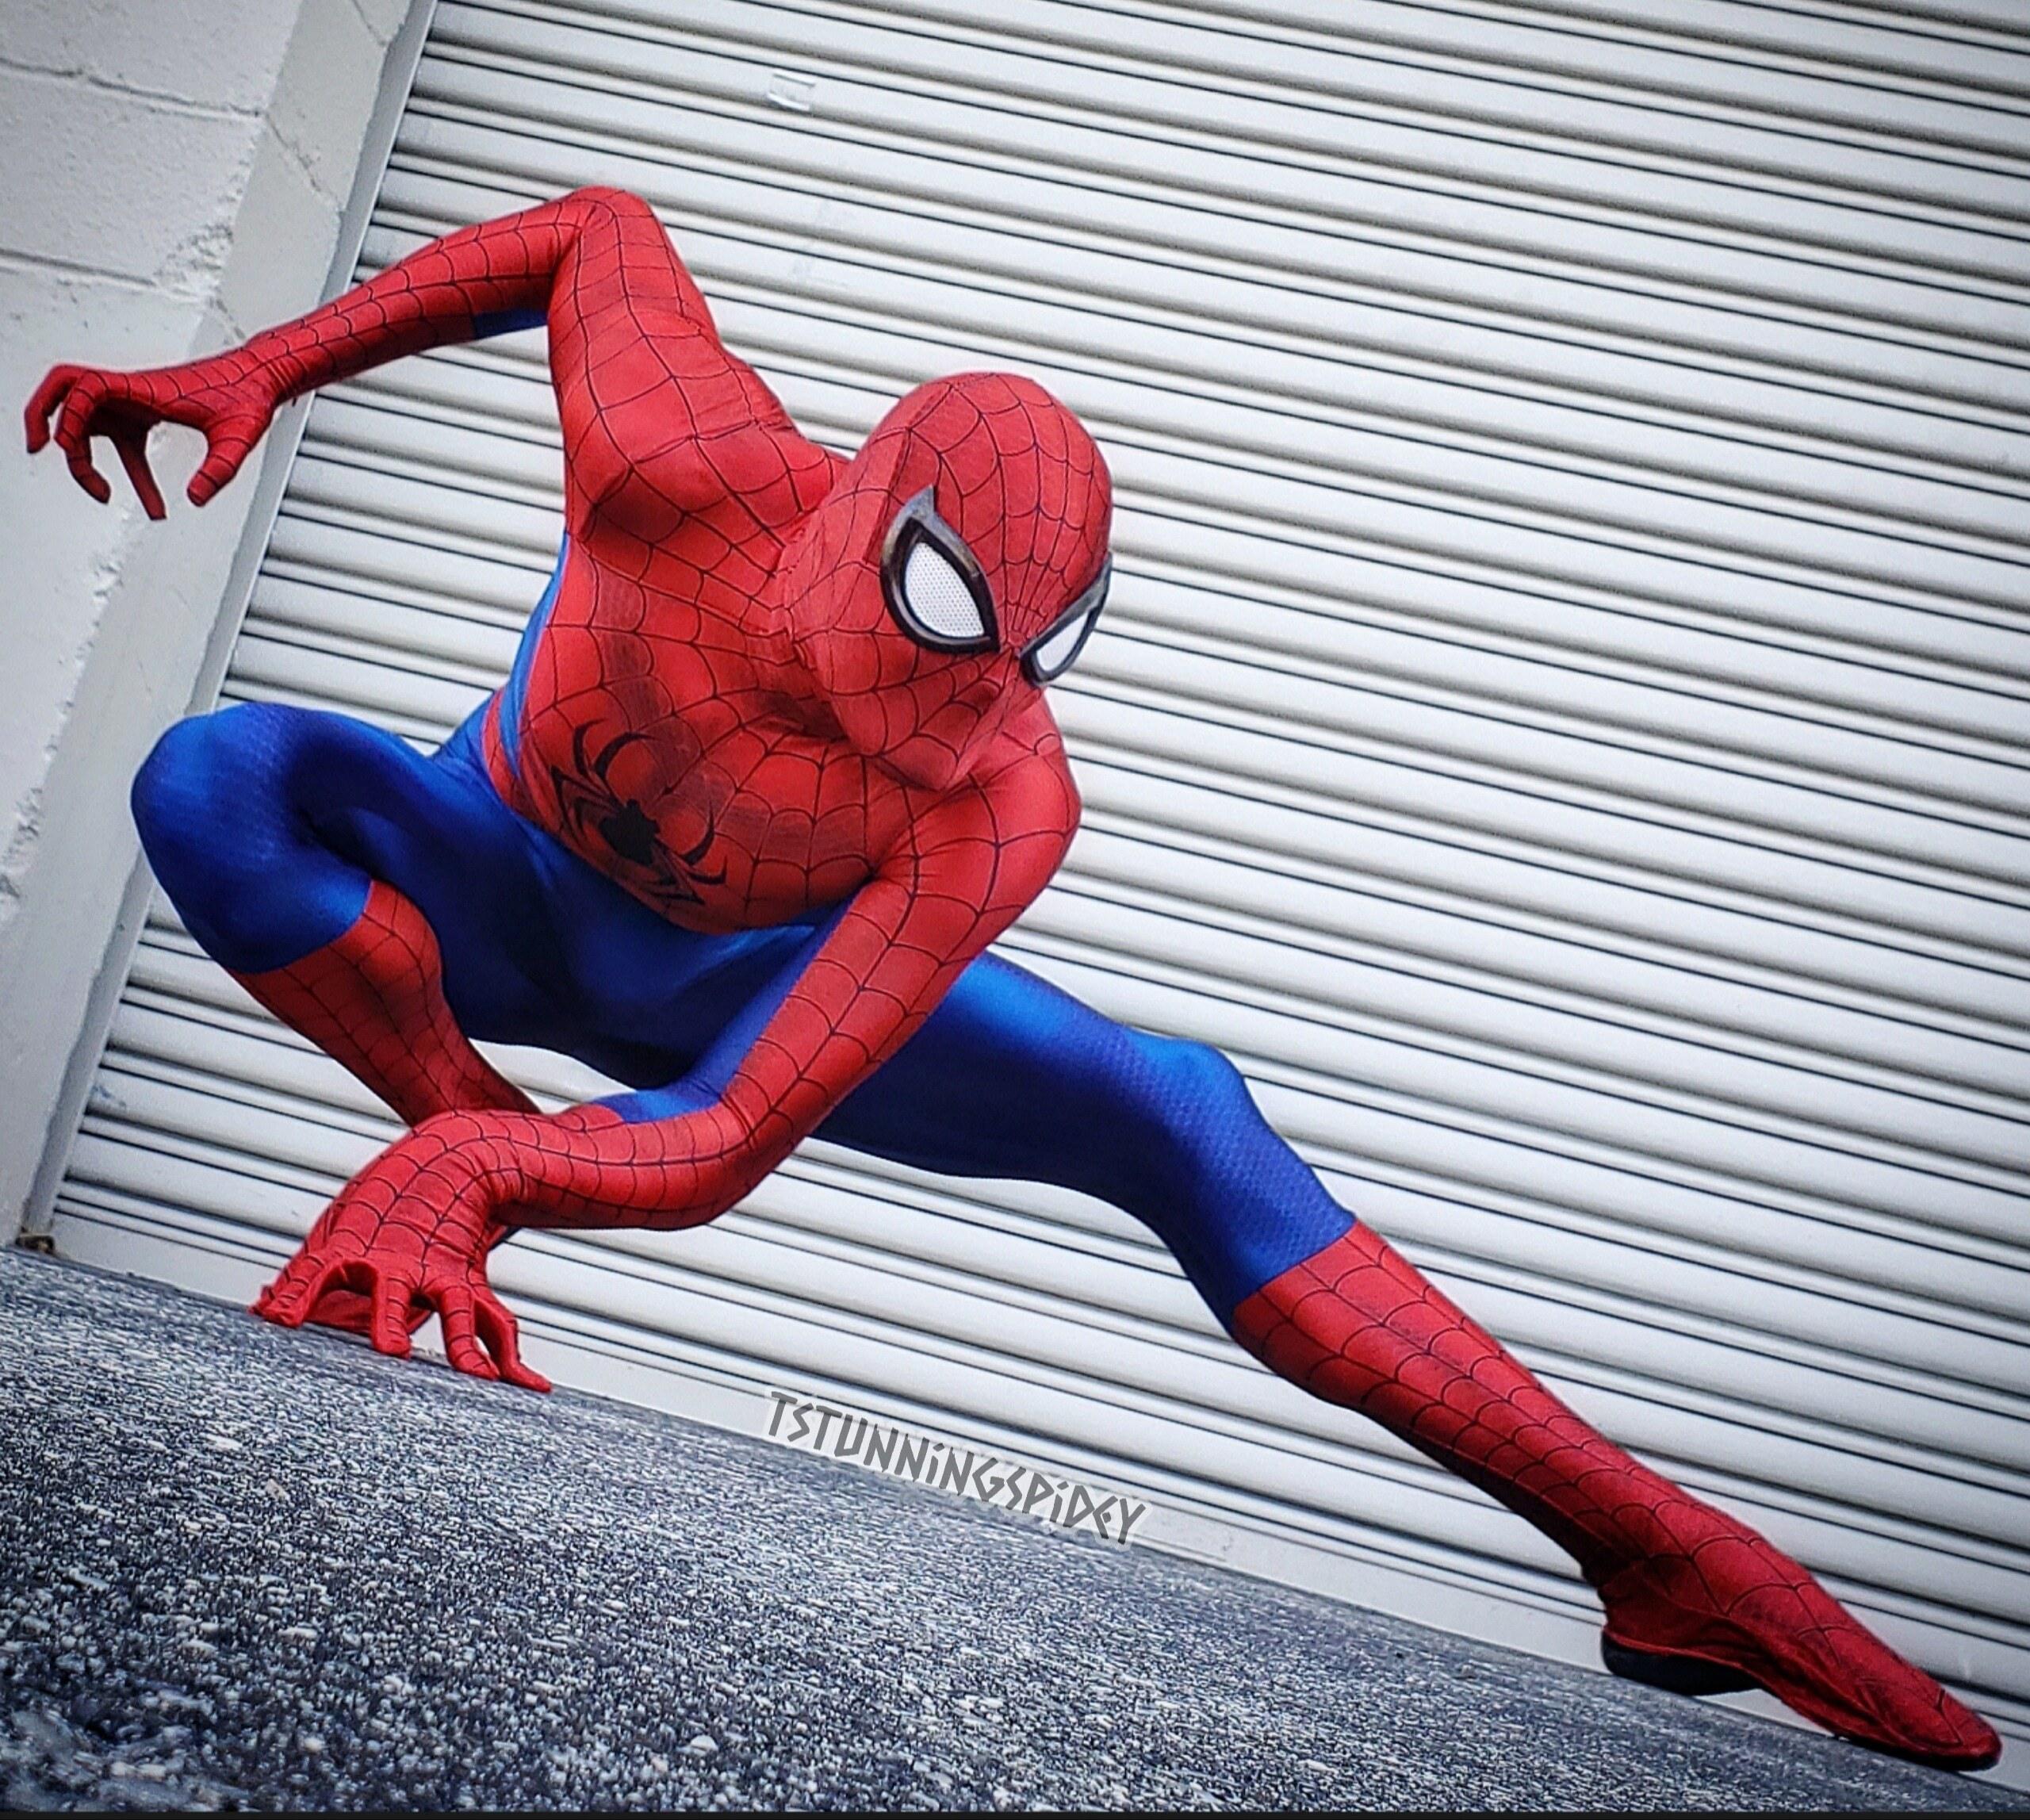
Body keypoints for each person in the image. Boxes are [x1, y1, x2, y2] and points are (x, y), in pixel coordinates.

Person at [26, 186, 1997, 1770]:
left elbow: (723, 1128)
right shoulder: (678, 458)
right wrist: (260, 364)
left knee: (1176, 1101)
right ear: (844, 523)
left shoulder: (997, 788)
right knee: (215, 774)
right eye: (930, 632)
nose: (956, 714)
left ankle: (1667, 1556)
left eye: (1015, 665)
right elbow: (585, 232)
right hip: (484, 880)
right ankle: (465, 1109)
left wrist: (508, 1187)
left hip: (729, 997)